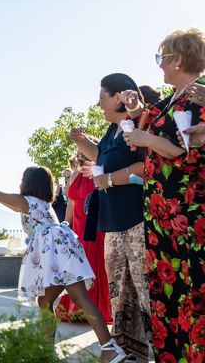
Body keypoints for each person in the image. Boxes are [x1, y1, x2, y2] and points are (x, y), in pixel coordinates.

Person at [0, 164, 126, 363]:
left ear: (29, 183)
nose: (19, 183)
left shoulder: (26, 201)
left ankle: (106, 349)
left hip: (54, 253)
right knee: (50, 301)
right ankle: (61, 349)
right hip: (63, 249)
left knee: (65, 300)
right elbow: (2, 200)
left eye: (22, 180)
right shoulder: (40, 203)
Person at [121, 28, 205, 362]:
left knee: (190, 291)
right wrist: (135, 107)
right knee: (170, 296)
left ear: (178, 59)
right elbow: (155, 124)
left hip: (186, 213)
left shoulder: (199, 96)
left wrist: (146, 140)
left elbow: (184, 151)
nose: (159, 67)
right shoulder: (173, 99)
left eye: (162, 58)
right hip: (163, 216)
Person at [70, 73, 151, 359]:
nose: (98, 103)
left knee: (144, 287)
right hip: (112, 223)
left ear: (119, 97)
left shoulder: (140, 123)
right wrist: (81, 141)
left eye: (102, 97)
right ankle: (130, 350)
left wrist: (113, 180)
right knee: (120, 290)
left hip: (136, 220)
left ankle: (158, 347)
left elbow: (146, 165)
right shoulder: (110, 131)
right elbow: (100, 156)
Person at [55, 149, 112, 325]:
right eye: (79, 154)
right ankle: (81, 309)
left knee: (98, 267)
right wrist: (65, 225)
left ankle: (101, 309)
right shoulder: (74, 176)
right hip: (78, 230)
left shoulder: (100, 171)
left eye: (83, 153)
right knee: (81, 269)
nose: (80, 157)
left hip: (96, 227)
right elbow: (71, 204)